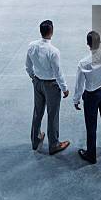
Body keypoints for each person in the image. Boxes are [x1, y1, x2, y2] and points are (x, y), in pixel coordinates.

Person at [25, 20, 70, 155]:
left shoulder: (31, 46)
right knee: (53, 114)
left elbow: (28, 66)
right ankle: (54, 144)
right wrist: (64, 88)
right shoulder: (53, 51)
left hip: (37, 82)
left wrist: (33, 78)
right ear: (52, 32)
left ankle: (35, 140)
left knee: (37, 112)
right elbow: (58, 72)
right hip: (51, 85)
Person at [74, 30, 101, 164]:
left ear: (88, 44)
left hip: (91, 95)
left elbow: (79, 84)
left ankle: (91, 154)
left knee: (91, 125)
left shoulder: (83, 63)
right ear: (100, 42)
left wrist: (76, 99)